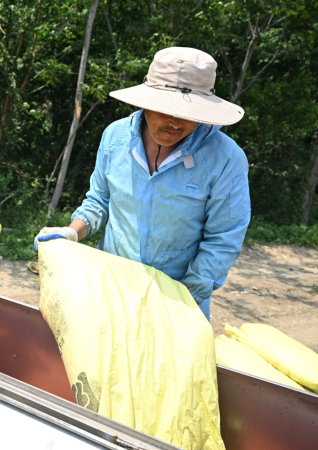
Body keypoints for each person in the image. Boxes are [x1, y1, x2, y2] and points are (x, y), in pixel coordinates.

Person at [35, 47, 251, 319]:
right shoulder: (115, 138)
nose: (175, 122)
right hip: (111, 290)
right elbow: (100, 201)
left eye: (189, 112)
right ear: (146, 102)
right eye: (166, 109)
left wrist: (183, 301)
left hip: (179, 303)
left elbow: (222, 240)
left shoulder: (225, 159)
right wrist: (72, 232)